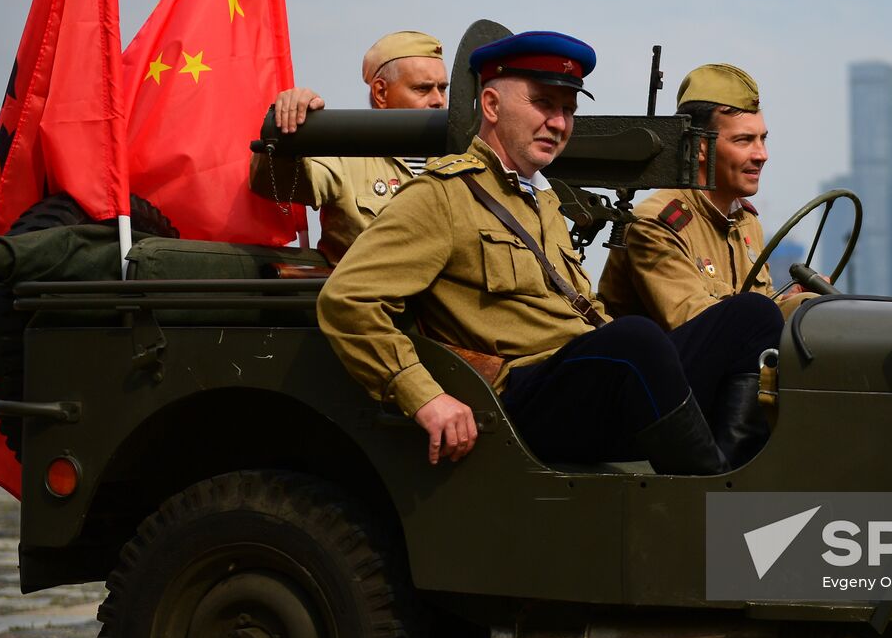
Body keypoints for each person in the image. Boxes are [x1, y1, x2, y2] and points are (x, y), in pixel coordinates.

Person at [317, 31, 783, 474]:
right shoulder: (442, 196)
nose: (558, 122)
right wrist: (422, 395)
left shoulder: (542, 198)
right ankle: (704, 497)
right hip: (524, 394)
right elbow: (347, 300)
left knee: (752, 317)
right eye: (542, 104)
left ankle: (731, 475)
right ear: (492, 105)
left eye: (567, 108)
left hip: (585, 375)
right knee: (636, 341)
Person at [599, 62, 816, 329]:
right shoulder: (656, 226)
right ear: (700, 147)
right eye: (744, 140)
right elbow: (700, 327)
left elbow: (756, 311)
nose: (762, 155)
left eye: (763, 139)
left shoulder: (746, 222)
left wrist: (797, 303)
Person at [248, 30, 449, 263]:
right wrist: (289, 129)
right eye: (422, 89)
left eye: (442, 88)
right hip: (372, 297)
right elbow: (280, 185)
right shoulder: (346, 154)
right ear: (381, 93)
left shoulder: (458, 159)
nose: (439, 100)